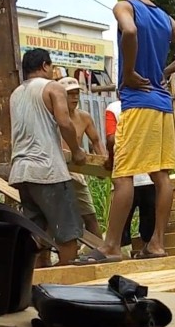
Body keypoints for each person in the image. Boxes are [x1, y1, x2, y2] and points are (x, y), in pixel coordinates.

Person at [72, 0, 175, 264]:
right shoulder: (164, 18)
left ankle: (110, 247)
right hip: (162, 105)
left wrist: (130, 72)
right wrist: (165, 71)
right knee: (161, 176)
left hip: (137, 101)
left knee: (123, 176)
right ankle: (156, 243)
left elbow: (129, 30)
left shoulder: (124, 7)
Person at [8, 48, 86, 266]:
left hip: (22, 172)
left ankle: (32, 283)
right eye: (51, 66)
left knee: (36, 234)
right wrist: (77, 151)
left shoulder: (15, 94)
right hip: (48, 171)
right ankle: (67, 288)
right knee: (67, 234)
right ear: (44, 66)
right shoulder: (53, 88)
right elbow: (65, 123)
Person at [104, 99, 156, 256]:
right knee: (149, 220)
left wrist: (111, 160)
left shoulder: (113, 108)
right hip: (150, 174)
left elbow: (111, 139)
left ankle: (120, 253)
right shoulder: (149, 104)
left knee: (122, 222)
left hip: (125, 176)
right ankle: (148, 252)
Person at [58, 77, 107, 239]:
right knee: (55, 217)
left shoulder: (84, 117)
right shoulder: (53, 117)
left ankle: (101, 251)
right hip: (57, 171)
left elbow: (96, 141)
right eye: (70, 94)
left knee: (89, 215)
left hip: (77, 172)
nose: (74, 97)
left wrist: (104, 164)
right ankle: (45, 259)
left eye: (76, 93)